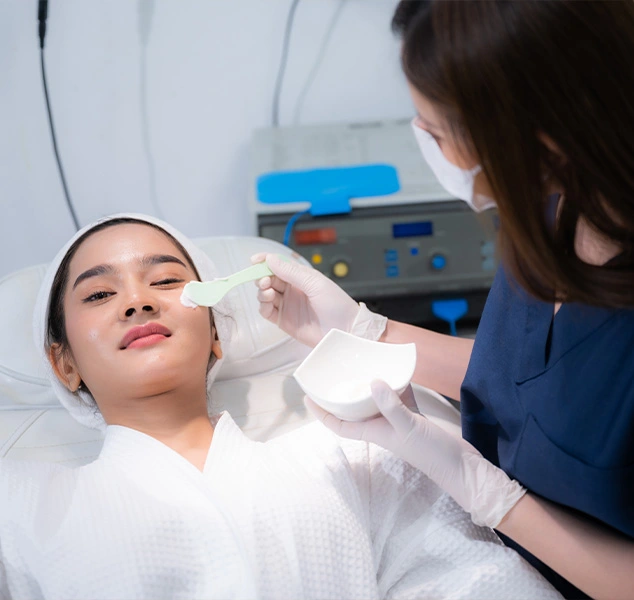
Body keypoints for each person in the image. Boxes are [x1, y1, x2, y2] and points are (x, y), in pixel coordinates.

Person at [252, 2, 634, 599]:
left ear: (539, 134)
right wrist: (365, 330)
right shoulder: (554, 204)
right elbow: (539, 383)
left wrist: (484, 492)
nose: (425, 144)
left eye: (433, 131)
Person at [0, 214, 560, 600]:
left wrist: (369, 331)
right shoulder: (20, 506)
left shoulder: (350, 458)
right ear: (63, 364)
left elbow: (478, 582)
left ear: (216, 336)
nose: (138, 300)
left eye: (167, 280)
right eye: (99, 294)